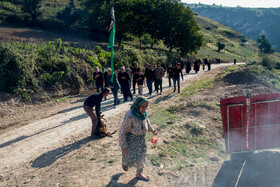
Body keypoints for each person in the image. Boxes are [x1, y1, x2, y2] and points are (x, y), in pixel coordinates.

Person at [119, 97, 157, 181]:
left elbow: (146, 121)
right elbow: (122, 132)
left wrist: (152, 129)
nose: (144, 109)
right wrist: (124, 146)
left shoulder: (144, 114)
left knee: (142, 155)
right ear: (137, 106)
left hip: (141, 139)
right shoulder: (130, 116)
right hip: (131, 140)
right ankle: (124, 162)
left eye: (145, 107)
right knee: (128, 155)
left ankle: (139, 173)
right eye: (142, 107)